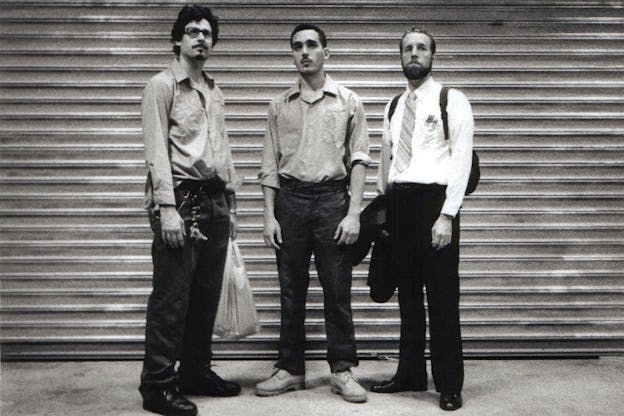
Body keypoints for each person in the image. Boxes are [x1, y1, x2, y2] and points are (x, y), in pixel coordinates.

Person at [256, 24, 371, 403]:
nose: (304, 51)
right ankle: (290, 369)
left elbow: (358, 160)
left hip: (331, 202)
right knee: (291, 291)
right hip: (289, 200)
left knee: (337, 290)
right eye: (297, 46)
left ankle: (342, 371)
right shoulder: (279, 104)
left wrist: (354, 213)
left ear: (326, 52)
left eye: (311, 45)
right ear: (292, 54)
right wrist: (269, 216)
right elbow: (269, 165)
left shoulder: (348, 101)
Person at [139, 5, 242, 416]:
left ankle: (196, 371)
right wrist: (167, 208)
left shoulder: (213, 90)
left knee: (205, 296)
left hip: (214, 199)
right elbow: (155, 151)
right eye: (193, 32)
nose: (201, 38)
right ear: (177, 40)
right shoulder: (161, 86)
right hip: (181, 199)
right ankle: (157, 385)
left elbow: (222, 147)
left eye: (207, 33)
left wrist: (231, 203)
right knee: (171, 297)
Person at [371, 27, 474, 411]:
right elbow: (388, 159)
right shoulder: (394, 105)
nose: (414, 54)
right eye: (408, 48)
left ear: (433, 56)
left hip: (435, 205)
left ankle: (449, 383)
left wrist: (448, 215)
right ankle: (410, 372)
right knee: (408, 299)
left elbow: (461, 161)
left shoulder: (452, 99)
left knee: (443, 299)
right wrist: (383, 208)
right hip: (400, 206)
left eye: (421, 48)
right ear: (401, 57)